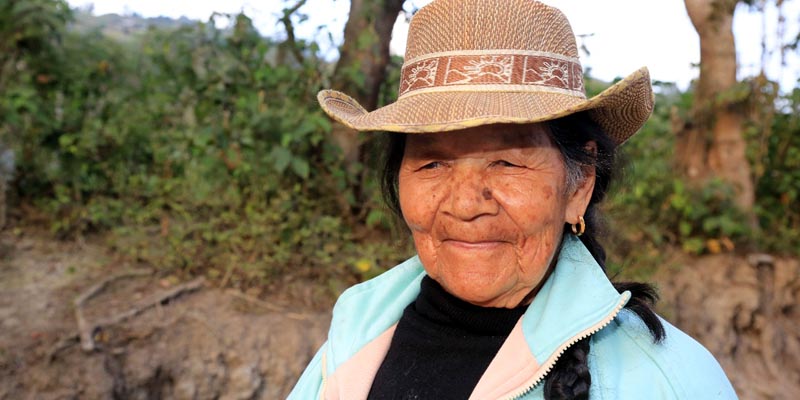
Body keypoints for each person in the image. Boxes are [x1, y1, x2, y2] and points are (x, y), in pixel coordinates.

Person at [290, 0, 738, 398]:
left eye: (506, 163)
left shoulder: (667, 381)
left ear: (579, 183)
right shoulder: (356, 333)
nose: (465, 205)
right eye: (432, 164)